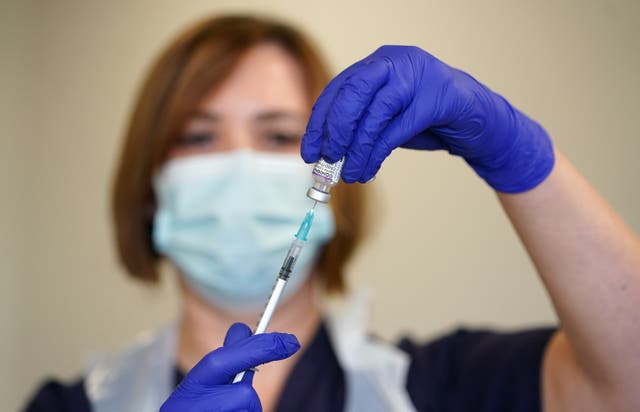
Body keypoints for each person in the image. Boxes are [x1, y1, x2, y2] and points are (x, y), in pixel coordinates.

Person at [24, 14, 640, 412]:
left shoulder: (439, 388)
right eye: (198, 138)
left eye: (276, 137)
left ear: (336, 180)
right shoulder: (69, 405)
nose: (240, 165)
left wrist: (517, 155)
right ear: (150, 184)